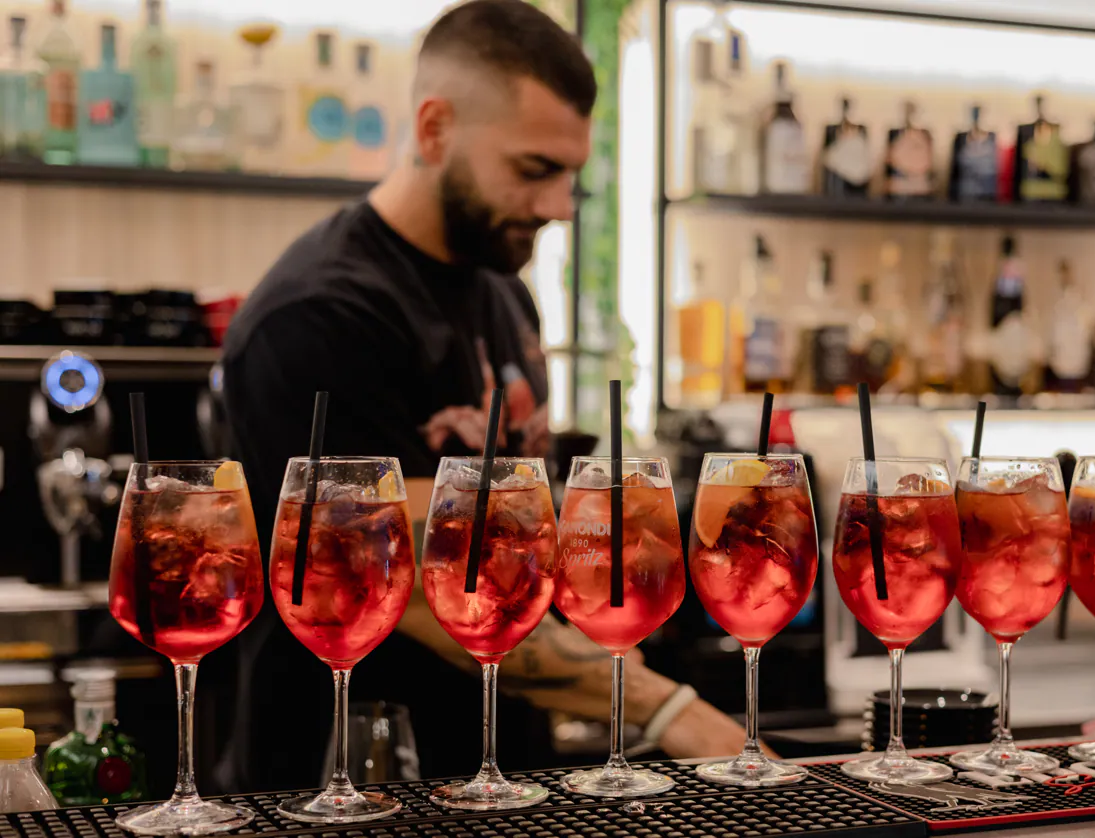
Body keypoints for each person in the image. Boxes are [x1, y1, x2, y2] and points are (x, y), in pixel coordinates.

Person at [215, 0, 746, 792]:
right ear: (434, 129)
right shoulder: (317, 316)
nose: (559, 206)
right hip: (347, 779)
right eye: (534, 170)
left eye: (570, 175)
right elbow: (405, 577)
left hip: (499, 773)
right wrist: (665, 709)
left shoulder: (503, 289)